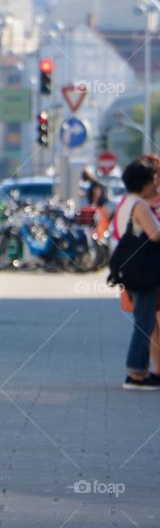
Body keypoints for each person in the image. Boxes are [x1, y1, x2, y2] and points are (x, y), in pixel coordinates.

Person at [114, 156, 160, 389]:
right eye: (153, 179)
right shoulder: (140, 205)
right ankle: (136, 375)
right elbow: (155, 235)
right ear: (144, 182)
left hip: (130, 270)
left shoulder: (125, 203)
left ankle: (144, 372)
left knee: (146, 321)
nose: (156, 183)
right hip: (144, 272)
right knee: (144, 323)